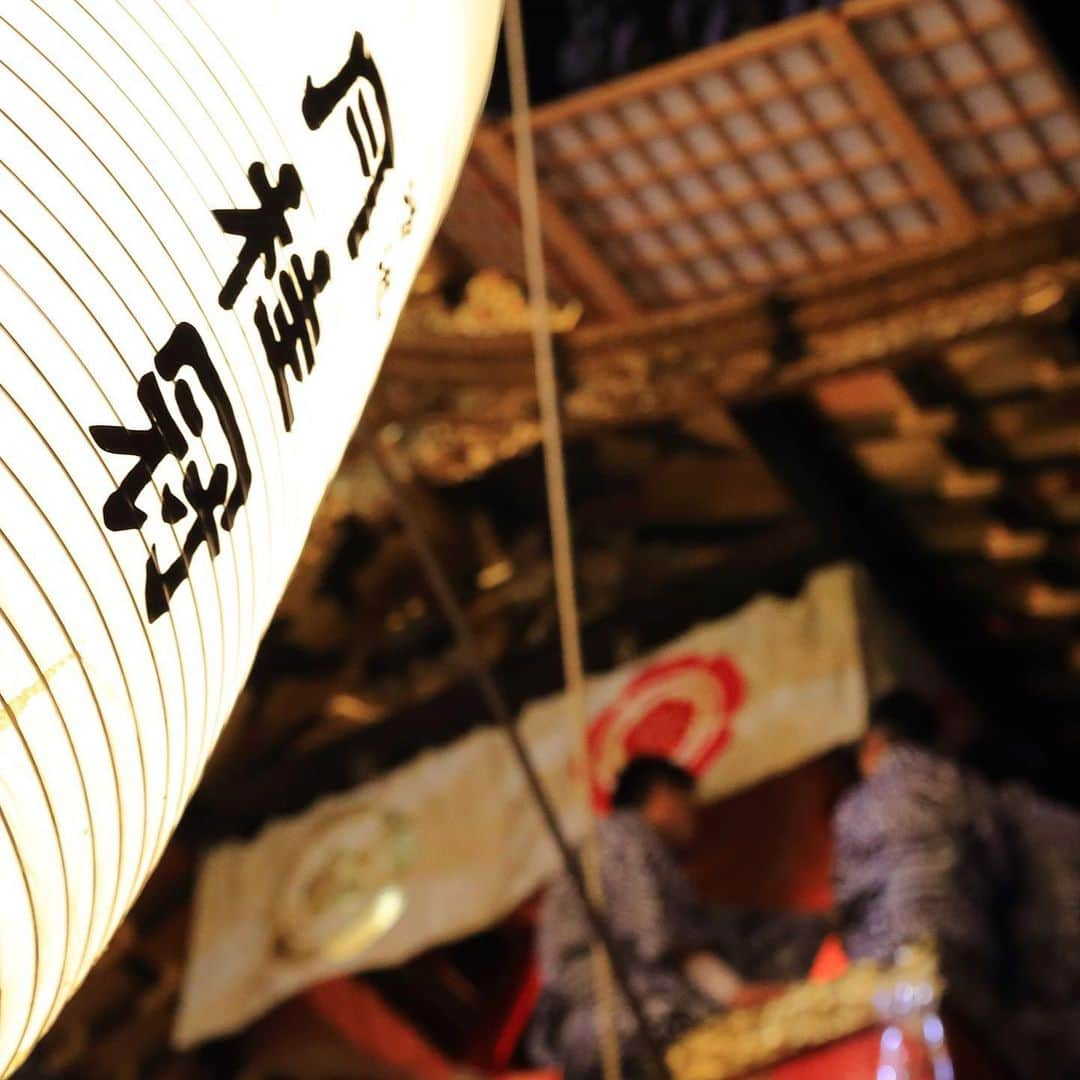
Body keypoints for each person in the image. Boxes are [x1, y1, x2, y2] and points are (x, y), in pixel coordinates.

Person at [529, 756, 823, 1080]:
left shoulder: (598, 847)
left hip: (593, 1033)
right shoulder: (626, 837)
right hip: (622, 1024)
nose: (693, 819)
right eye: (689, 804)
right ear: (664, 795)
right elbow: (663, 938)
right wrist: (735, 992)